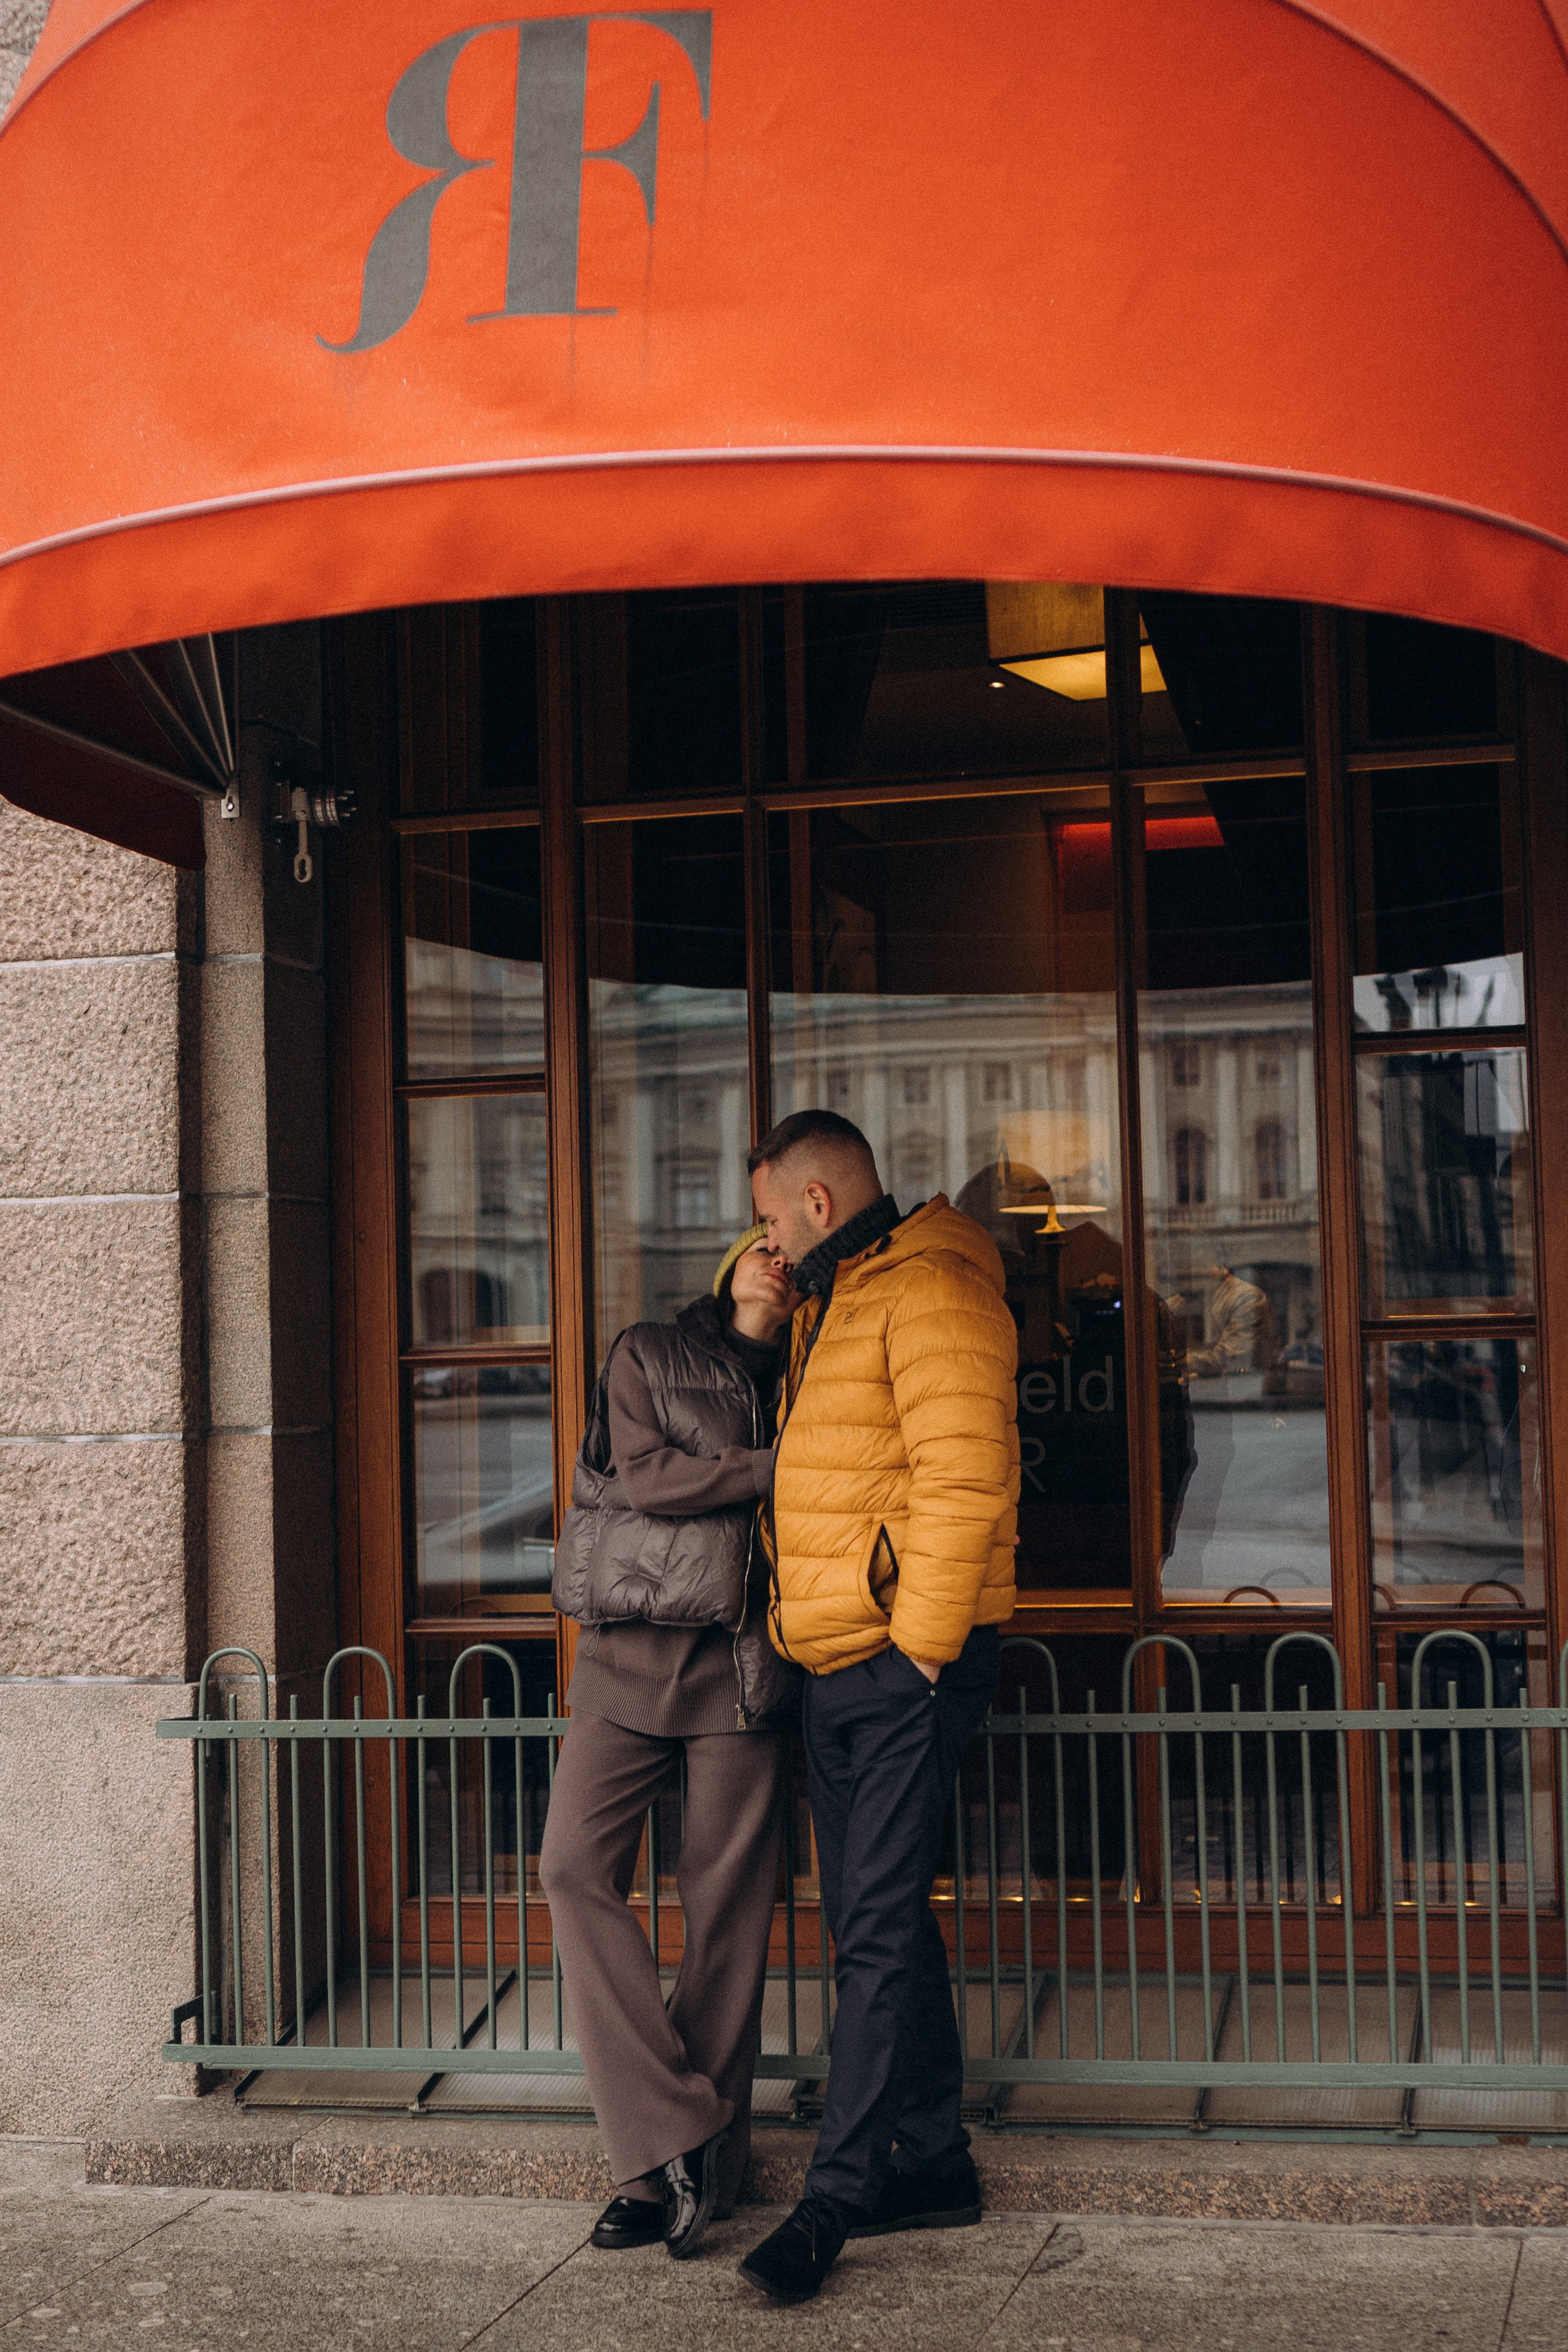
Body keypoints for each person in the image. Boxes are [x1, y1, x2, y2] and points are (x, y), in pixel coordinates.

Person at [736, 1109, 1020, 2305]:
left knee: (876, 1931)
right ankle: (936, 2164)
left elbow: (965, 1481)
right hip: (834, 1659)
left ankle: (835, 2197)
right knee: (880, 1915)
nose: (756, 1244)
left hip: (899, 1663)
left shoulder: (932, 1284)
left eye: (765, 1222)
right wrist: (753, 1302)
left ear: (812, 1205)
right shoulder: (836, 1292)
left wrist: (914, 1659)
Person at [540, 1232, 802, 2262]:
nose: (777, 1260)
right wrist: (777, 1468)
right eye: (762, 1244)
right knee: (571, 1866)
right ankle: (676, 2124)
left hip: (744, 1664)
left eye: (793, 1250)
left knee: (727, 1909)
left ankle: (676, 2180)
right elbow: (647, 1480)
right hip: (627, 1654)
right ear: (733, 1259)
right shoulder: (646, 1352)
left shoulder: (815, 1368)